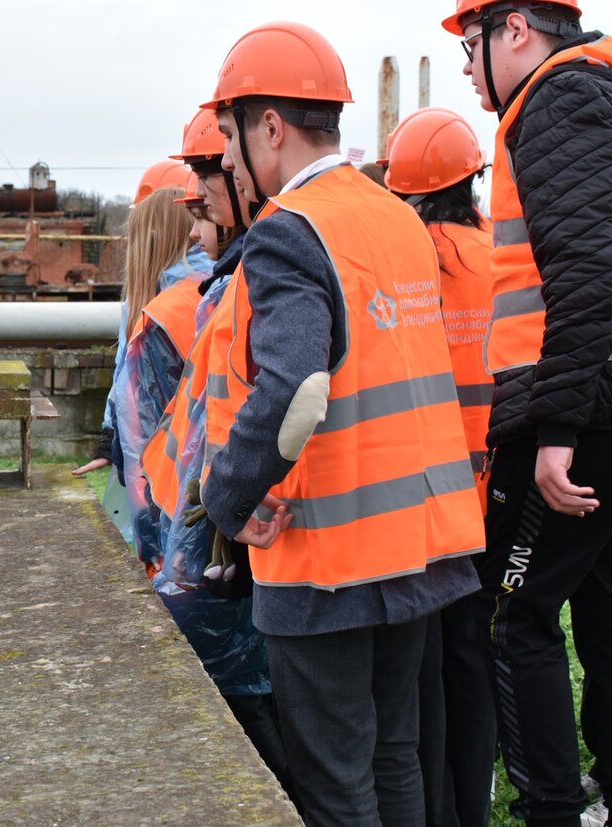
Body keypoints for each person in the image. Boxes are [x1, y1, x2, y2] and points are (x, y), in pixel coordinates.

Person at [200, 22, 485, 825]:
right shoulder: (395, 217)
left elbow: (296, 387)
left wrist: (225, 501)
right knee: (395, 759)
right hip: (414, 544)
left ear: (270, 128)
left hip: (325, 557)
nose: (224, 158)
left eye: (228, 135)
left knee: (334, 781)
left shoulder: (289, 233)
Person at [442, 1, 612, 823]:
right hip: (591, 401)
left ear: (516, 31)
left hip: (571, 410)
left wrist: (555, 432)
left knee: (510, 616)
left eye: (472, 48)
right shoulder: (588, 92)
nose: (469, 69)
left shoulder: (554, 100)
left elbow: (583, 271)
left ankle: (551, 807)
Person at [135, 110, 294, 798]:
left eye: (205, 201)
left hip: (214, 553)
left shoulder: (191, 302)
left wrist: (183, 553)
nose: (199, 226)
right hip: (254, 553)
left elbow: (166, 446)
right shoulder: (233, 285)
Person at [386, 105, 497, 827]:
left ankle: (439, 812)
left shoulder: (406, 258)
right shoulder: (501, 253)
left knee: (422, 669)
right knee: (476, 658)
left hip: (426, 498)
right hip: (500, 488)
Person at [73, 159, 204, 481]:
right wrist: (110, 443)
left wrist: (113, 443)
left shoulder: (171, 302)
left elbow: (129, 382)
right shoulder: (207, 287)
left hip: (164, 464)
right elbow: (127, 378)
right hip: (177, 462)